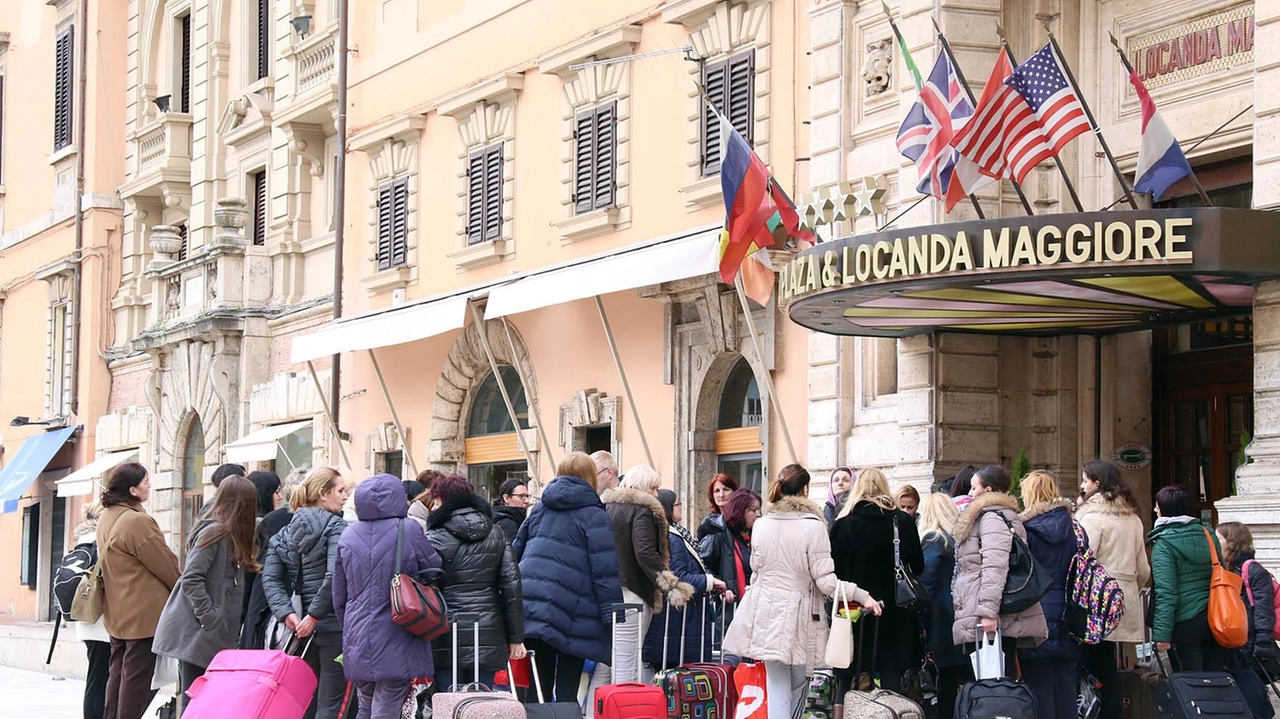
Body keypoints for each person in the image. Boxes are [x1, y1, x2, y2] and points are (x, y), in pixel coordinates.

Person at [723, 464, 882, 719]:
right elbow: (826, 581)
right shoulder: (814, 526)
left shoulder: (762, 524)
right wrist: (862, 595)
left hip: (766, 611)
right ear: (805, 489)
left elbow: (757, 571)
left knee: (777, 684)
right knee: (800, 683)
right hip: (800, 616)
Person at [513, 452, 623, 704]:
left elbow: (516, 552)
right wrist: (613, 613)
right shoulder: (594, 514)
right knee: (567, 687)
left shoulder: (539, 509)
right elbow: (604, 567)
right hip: (575, 608)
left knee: (538, 685)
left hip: (533, 603)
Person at [332, 473, 441, 719]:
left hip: (358, 631)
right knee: (389, 701)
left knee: (365, 704)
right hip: (398, 627)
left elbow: (338, 594)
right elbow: (434, 565)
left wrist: (349, 626)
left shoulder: (348, 535)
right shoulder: (409, 529)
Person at [154, 476, 261, 709]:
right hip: (199, 630)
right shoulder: (214, 532)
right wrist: (210, 616)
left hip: (209, 632)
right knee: (195, 697)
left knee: (205, 697)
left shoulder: (229, 534)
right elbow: (191, 577)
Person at [261, 467, 349, 719]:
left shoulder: (285, 532)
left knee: (305, 701)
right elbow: (335, 576)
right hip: (332, 626)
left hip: (299, 629)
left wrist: (286, 613)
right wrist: (315, 616)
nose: (345, 497)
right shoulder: (336, 527)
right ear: (323, 494)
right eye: (341, 490)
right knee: (333, 705)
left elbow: (270, 577)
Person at [829, 468, 923, 705]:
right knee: (891, 671)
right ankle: (893, 711)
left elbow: (834, 571)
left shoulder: (843, 524)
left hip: (853, 609)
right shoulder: (901, 521)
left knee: (846, 670)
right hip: (894, 610)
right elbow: (918, 565)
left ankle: (844, 712)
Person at [424, 475, 526, 691]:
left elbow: (425, 583)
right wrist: (516, 637)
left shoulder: (435, 535)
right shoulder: (495, 532)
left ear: (442, 499)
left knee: (447, 703)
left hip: (446, 630)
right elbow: (512, 587)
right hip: (488, 628)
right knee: (481, 703)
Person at [97, 463, 181, 719]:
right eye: (145, 481)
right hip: (143, 614)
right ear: (132, 489)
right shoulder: (136, 521)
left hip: (118, 610)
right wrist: (182, 591)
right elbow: (166, 565)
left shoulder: (106, 517)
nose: (149, 485)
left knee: (118, 674)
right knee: (136, 679)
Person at [950, 465, 1047, 678]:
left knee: (994, 682)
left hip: (991, 614)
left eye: (974, 488)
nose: (970, 493)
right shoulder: (993, 516)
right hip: (987, 609)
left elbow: (995, 567)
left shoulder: (992, 518)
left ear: (988, 490)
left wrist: (987, 613)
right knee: (991, 679)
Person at [601, 465, 695, 683]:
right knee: (628, 659)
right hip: (634, 590)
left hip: (611, 589)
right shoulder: (640, 510)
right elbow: (644, 551)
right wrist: (670, 584)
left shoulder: (609, 507)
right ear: (642, 487)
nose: (656, 494)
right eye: (653, 488)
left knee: (606, 663)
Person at [1075, 459, 1150, 719]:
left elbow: (1082, 561)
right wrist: (1127, 589)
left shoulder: (1091, 518)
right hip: (1123, 598)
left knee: (1092, 666)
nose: (1081, 486)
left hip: (1095, 601)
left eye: (1085, 481)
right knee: (1109, 666)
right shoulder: (1133, 518)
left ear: (1097, 484)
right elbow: (1144, 570)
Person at [1016, 470, 1078, 719]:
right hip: (1068, 613)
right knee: (1066, 686)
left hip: (1036, 613)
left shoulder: (1025, 530)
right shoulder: (1073, 527)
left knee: (1039, 686)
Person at [1149, 484, 1229, 672]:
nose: (1154, 509)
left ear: (1166, 510)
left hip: (1184, 623)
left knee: (1192, 685)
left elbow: (1166, 593)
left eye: (1157, 506)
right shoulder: (1207, 534)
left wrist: (1162, 636)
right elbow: (1221, 572)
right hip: (1215, 618)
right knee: (1218, 681)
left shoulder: (1163, 543)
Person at [643, 490, 725, 669]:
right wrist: (710, 582)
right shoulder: (672, 537)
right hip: (677, 620)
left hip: (679, 620)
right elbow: (679, 575)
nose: (680, 507)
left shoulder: (675, 533)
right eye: (677, 504)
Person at [1218, 521, 1277, 719]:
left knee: (1252, 695)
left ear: (1232, 542)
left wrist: (1262, 644)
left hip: (1250, 645)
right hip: (1234, 642)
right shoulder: (1223, 569)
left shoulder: (1252, 570)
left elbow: (1263, 610)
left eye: (1219, 539)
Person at [918, 493, 965, 719]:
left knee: (941, 679)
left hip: (940, 617)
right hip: (959, 612)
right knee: (953, 680)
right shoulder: (958, 540)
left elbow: (926, 583)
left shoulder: (934, 540)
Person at [700, 488, 760, 627]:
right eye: (753, 510)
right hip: (727, 613)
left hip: (752, 611)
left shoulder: (754, 536)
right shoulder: (717, 534)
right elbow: (702, 567)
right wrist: (720, 589)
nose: (758, 514)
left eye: (758, 510)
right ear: (739, 511)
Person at [72, 504, 111, 719]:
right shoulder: (98, 540)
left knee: (96, 676)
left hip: (86, 618)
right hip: (100, 621)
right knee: (99, 679)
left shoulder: (82, 541)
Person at [697, 473, 739, 541]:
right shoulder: (709, 521)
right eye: (717, 491)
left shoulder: (742, 518)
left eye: (726, 489)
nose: (721, 495)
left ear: (734, 492)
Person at [492, 477, 530, 544]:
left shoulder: (496, 516)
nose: (526, 501)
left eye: (527, 496)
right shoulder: (507, 523)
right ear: (506, 498)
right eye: (521, 496)